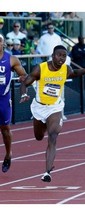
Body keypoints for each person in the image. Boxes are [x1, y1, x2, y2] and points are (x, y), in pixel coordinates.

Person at [20, 45, 85, 182]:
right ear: (52, 56)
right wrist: (24, 94)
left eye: (64, 56)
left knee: (53, 135)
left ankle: (47, 172)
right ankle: (43, 126)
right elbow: (25, 83)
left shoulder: (66, 68)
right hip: (39, 107)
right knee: (38, 137)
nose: (62, 58)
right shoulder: (41, 68)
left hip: (55, 107)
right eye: (59, 55)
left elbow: (75, 73)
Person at [0, 34, 27, 173]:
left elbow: (24, 76)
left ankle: (8, 153)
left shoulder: (11, 59)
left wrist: (24, 91)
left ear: (3, 43)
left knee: (5, 129)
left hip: (3, 99)